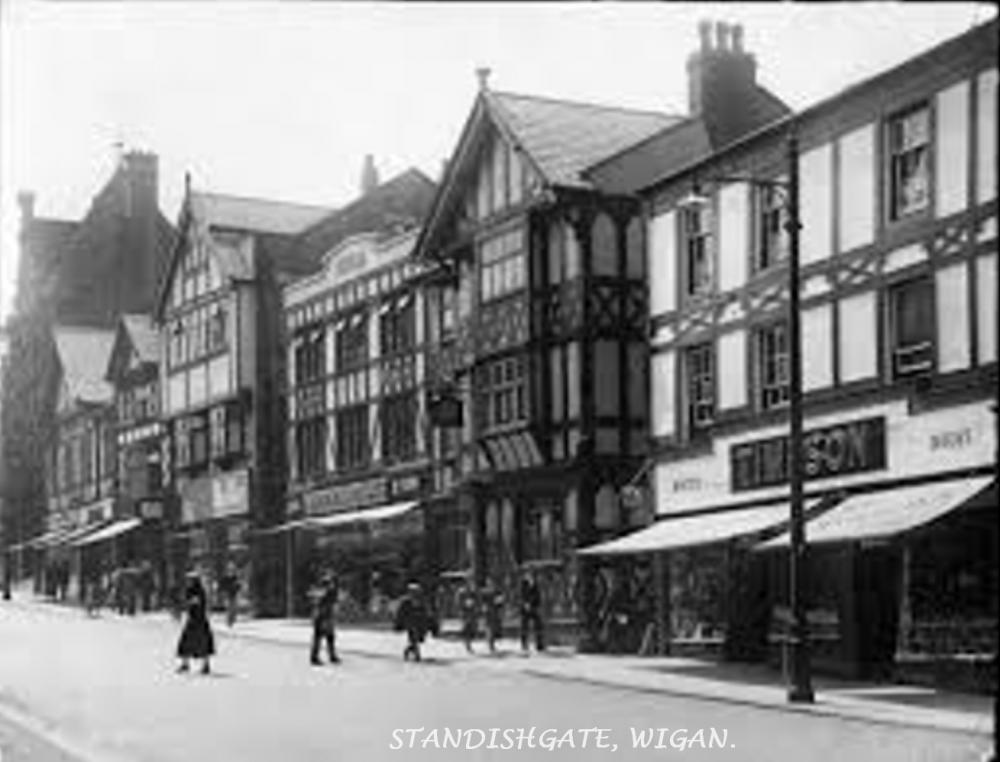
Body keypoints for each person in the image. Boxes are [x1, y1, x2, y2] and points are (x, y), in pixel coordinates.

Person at [176, 571, 215, 675]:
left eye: (190, 580)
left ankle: (206, 665)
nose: (188, 582)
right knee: (186, 643)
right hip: (193, 618)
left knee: (203, 643)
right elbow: (188, 603)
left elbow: (197, 602)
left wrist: (190, 602)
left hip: (199, 619)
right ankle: (185, 664)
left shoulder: (199, 591)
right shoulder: (189, 590)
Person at [394, 582, 435, 662]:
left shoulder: (423, 601)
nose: (415, 593)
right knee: (413, 638)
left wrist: (430, 621)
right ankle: (416, 654)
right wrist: (399, 622)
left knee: (420, 638)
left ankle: (409, 650)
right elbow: (400, 613)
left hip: (421, 623)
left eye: (416, 591)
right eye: (413, 591)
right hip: (410, 623)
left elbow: (428, 611)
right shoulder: (405, 601)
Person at [308, 569, 340, 666]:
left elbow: (333, 601)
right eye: (330, 579)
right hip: (321, 615)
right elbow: (313, 596)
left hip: (327, 615)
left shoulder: (332, 590)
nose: (332, 582)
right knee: (318, 636)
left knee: (330, 636)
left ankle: (332, 656)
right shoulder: (321, 588)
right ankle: (314, 657)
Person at [519, 571, 545, 653]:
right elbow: (521, 595)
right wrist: (525, 604)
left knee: (538, 626)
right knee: (524, 627)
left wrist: (534, 603)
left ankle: (539, 644)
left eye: (530, 576)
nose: (528, 577)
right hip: (525, 608)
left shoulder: (536, 585)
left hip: (534, 607)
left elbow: (538, 595)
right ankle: (524, 644)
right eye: (527, 575)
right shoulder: (523, 585)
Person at [456, 578, 479, 654]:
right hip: (465, 613)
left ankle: (468, 643)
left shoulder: (472, 592)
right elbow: (458, 603)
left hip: (472, 613)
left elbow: (477, 600)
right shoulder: (461, 592)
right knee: (466, 628)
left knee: (472, 627)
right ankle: (467, 645)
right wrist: (464, 605)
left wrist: (474, 605)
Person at [481, 580, 504, 654]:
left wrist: (499, 602)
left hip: (495, 611)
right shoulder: (484, 591)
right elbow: (482, 601)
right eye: (489, 582)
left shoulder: (497, 591)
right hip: (488, 611)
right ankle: (490, 644)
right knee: (489, 627)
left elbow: (501, 600)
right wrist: (483, 607)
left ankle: (491, 643)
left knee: (493, 628)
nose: (490, 584)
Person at [219, 563, 241, 628]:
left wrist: (238, 587)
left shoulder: (235, 577)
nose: (231, 571)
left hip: (234, 594)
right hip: (227, 594)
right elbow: (221, 586)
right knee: (229, 607)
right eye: (230, 570)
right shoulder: (224, 578)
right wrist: (222, 592)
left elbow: (239, 585)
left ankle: (232, 619)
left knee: (234, 607)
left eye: (232, 570)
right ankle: (229, 621)